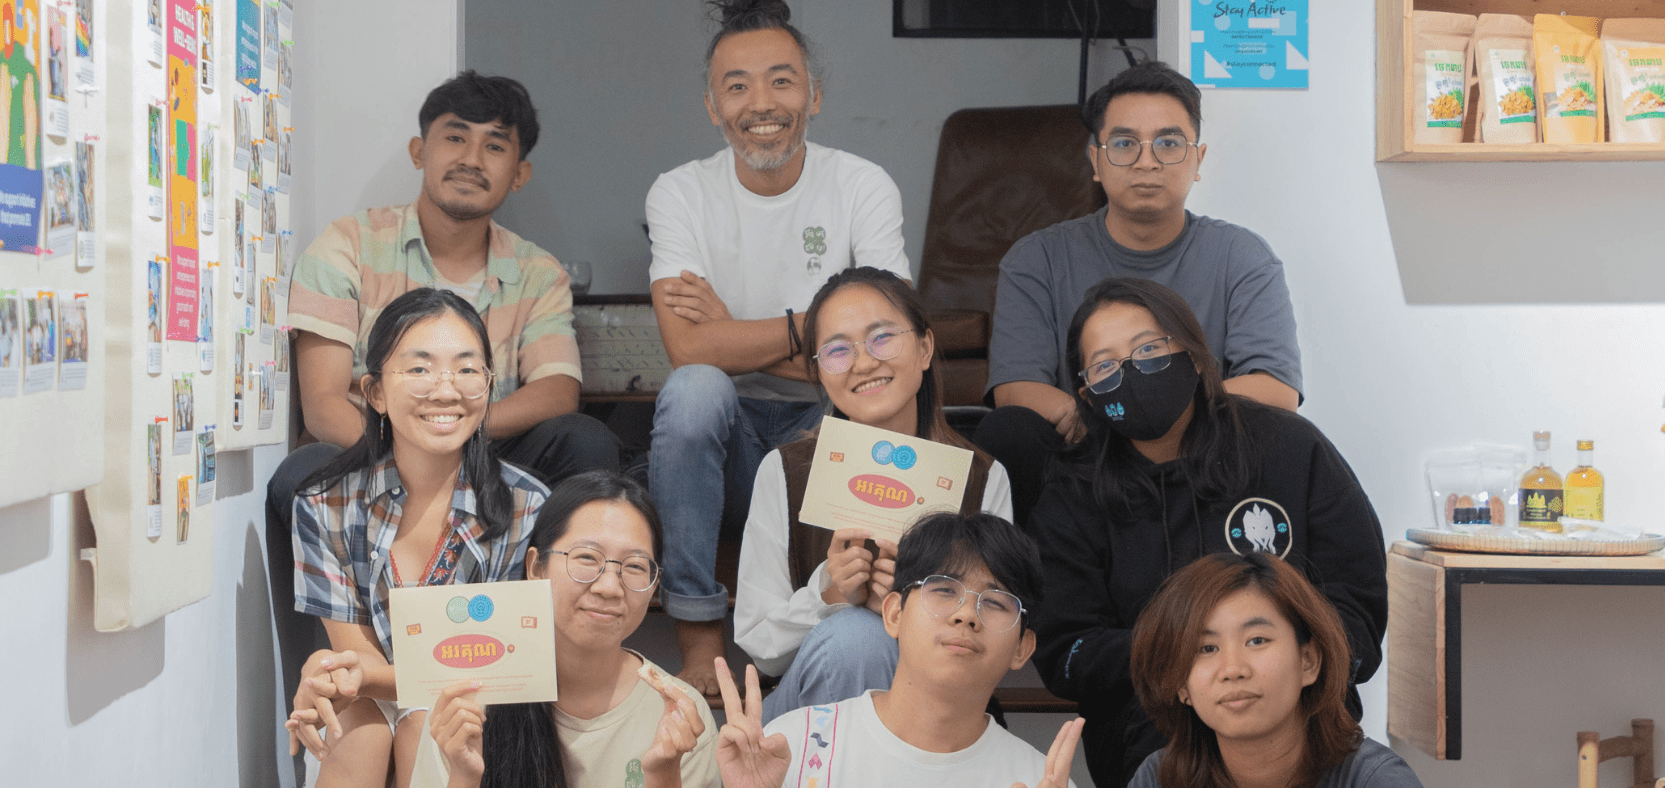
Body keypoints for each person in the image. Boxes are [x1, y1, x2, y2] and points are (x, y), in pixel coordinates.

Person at [645, 0, 909, 694]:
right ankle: (699, 634)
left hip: (824, 425)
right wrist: (815, 330)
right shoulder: (678, 193)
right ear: (712, 107)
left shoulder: (862, 187)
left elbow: (885, 350)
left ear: (814, 95)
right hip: (727, 443)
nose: (761, 103)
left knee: (868, 398)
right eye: (738, 86)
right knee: (695, 391)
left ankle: (830, 627)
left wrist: (733, 328)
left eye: (782, 81)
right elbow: (688, 352)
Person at [1029, 278, 1387, 788]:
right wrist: (1186, 657)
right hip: (1151, 733)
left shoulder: (1289, 447)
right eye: (1106, 366)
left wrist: (1271, 663)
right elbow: (1066, 651)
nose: (1131, 372)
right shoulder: (1074, 486)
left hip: (1301, 722)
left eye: (1150, 350)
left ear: (1195, 355)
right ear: (1087, 394)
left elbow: (1359, 610)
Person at [273, 70, 617, 524]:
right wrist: (411, 446)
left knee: (585, 440)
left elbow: (557, 391)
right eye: (455, 138)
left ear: (519, 174)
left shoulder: (538, 273)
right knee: (300, 472)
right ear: (420, 152)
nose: (472, 159)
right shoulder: (349, 246)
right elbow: (322, 403)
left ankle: (541, 590)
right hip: (369, 446)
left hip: (489, 451)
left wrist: (456, 432)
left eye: (494, 146)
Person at [977, 60, 1302, 524]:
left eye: (1169, 143)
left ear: (1197, 160)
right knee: (1009, 431)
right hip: (1086, 455)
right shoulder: (1037, 259)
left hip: (1204, 460)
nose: (1147, 161)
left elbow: (1276, 388)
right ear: (1096, 161)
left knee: (1286, 436)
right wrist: (1112, 420)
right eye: (1125, 144)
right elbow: (1015, 388)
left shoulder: (1242, 255)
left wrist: (1164, 421)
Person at [285, 288, 549, 788]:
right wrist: (343, 672)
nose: (445, 390)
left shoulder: (527, 506)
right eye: (420, 369)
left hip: (481, 701)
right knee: (356, 734)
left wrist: (349, 673)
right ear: (376, 392)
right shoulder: (323, 504)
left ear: (488, 387)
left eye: (468, 370)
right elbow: (355, 657)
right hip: (370, 688)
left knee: (427, 723)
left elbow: (504, 660)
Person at [734, 267, 1014, 721]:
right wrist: (829, 594)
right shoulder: (786, 471)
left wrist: (914, 609)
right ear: (819, 373)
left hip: (932, 710)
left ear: (925, 348)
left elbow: (995, 633)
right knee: (853, 637)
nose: (863, 363)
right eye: (838, 350)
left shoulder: (980, 478)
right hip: (807, 716)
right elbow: (761, 646)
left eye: (882, 338)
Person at [715, 512, 1083, 788]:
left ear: (1023, 647)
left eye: (996, 602)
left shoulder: (1043, 780)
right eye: (944, 590)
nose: (967, 614)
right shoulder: (792, 745)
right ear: (893, 613)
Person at [415, 471, 720, 788]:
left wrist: (663, 775)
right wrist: (464, 775)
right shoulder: (468, 700)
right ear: (536, 567)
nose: (609, 586)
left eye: (634, 566)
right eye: (587, 557)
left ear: (654, 584)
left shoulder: (681, 714)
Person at [1128, 553, 1424, 788]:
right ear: (1181, 684)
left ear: (1308, 661)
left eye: (1257, 640)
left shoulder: (1374, 780)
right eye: (1207, 648)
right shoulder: (1159, 779)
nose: (1232, 670)